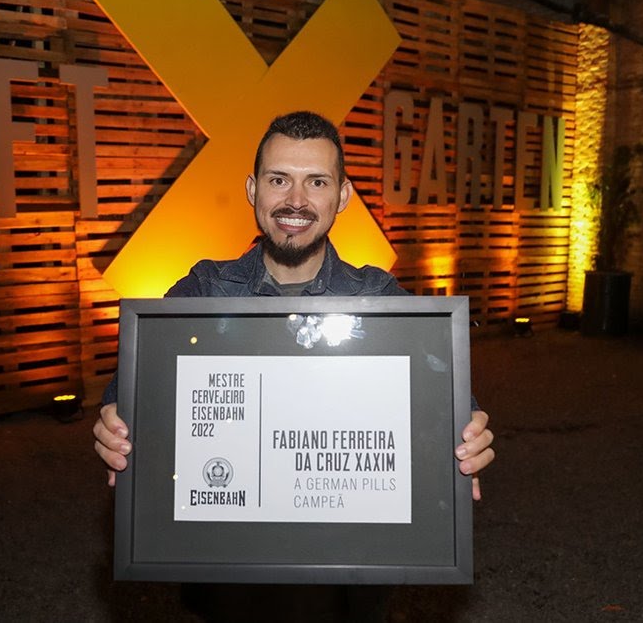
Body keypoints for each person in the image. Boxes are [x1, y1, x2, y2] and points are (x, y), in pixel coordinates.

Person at [93, 111, 494, 621]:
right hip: (228, 579)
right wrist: (112, 422)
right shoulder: (203, 290)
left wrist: (467, 440)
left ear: (343, 196)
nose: (296, 201)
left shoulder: (379, 298)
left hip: (345, 586)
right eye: (279, 179)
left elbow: (452, 410)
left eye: (317, 182)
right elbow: (130, 391)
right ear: (252, 189)